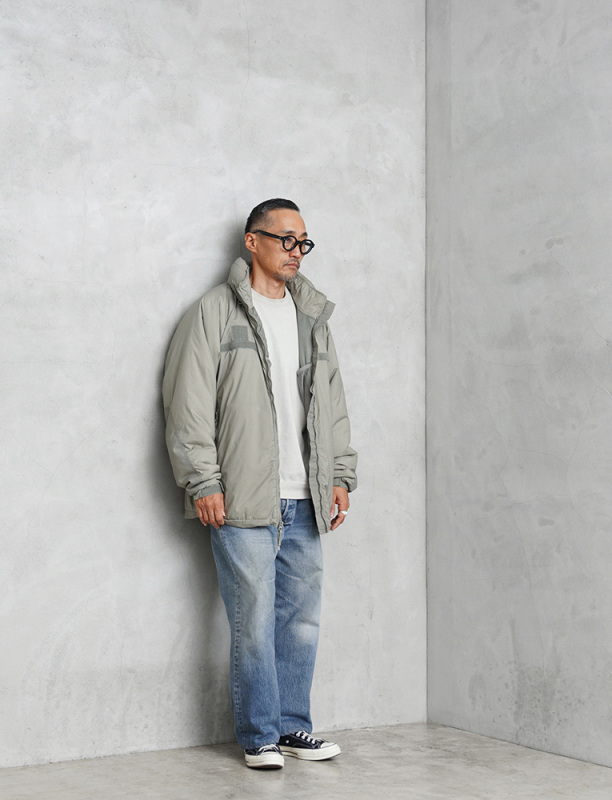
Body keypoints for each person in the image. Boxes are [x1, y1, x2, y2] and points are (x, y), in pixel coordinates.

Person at [162, 198, 357, 769]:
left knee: (301, 622)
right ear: (253, 241)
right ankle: (259, 736)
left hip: (305, 497)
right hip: (242, 497)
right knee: (253, 623)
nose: (296, 251)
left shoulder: (311, 316)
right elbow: (187, 403)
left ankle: (294, 728)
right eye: (285, 239)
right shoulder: (214, 312)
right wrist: (203, 482)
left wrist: (338, 474)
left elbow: (332, 403)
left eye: (304, 242)